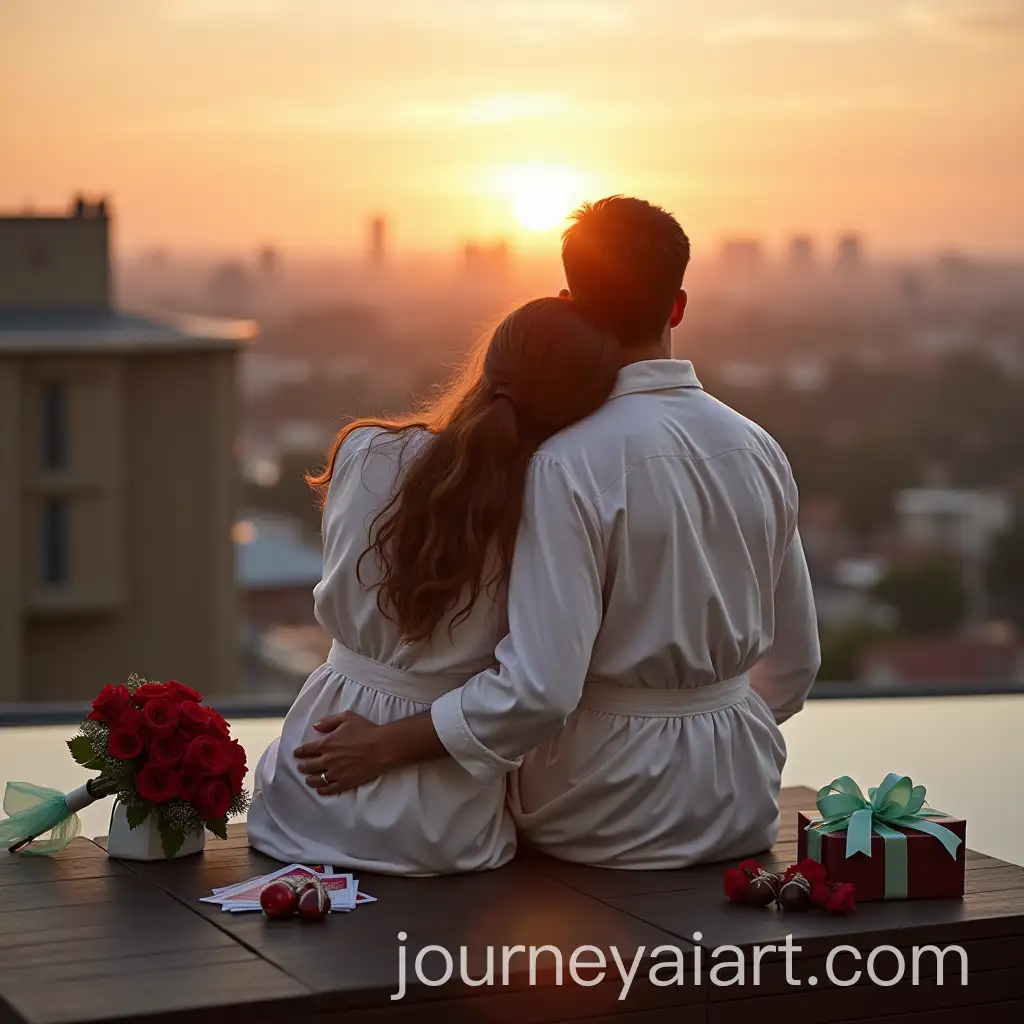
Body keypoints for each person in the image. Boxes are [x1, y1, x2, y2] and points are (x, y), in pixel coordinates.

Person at [293, 196, 821, 869]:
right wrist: (706, 731)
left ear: (571, 302)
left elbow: (541, 687)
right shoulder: (759, 448)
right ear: (678, 306)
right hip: (740, 798)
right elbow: (796, 665)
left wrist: (388, 743)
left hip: (598, 808)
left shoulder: (566, 461)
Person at [246, 298, 619, 874]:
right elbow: (538, 686)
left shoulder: (364, 451)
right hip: (434, 814)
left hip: (309, 775)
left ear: (488, 362)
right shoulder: (544, 509)